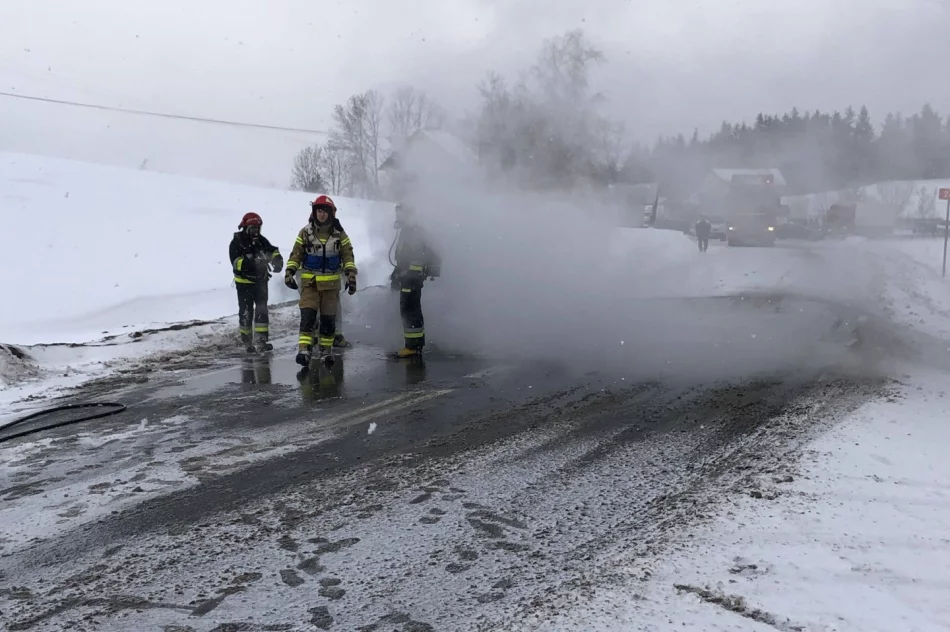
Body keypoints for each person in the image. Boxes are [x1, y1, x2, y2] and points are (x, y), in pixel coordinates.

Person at [285, 195, 357, 367]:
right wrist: (289, 271)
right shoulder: (306, 232)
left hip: (331, 287)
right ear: (314, 212)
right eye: (318, 211)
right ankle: (304, 350)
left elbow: (348, 256)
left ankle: (326, 351)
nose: (321, 214)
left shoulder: (340, 235)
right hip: (310, 283)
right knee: (308, 316)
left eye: (324, 211)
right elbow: (296, 254)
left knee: (328, 320)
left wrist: (351, 275)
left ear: (331, 213)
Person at [389, 202, 440, 359]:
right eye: (397, 213)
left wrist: (410, 274)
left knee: (410, 309)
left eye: (400, 213)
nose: (398, 217)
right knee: (409, 308)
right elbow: (404, 255)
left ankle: (413, 347)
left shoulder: (414, 231)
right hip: (408, 275)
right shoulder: (407, 231)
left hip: (412, 278)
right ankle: (414, 344)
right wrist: (398, 272)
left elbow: (418, 257)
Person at [229, 212, 283, 353]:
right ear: (246, 228)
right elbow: (236, 263)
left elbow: (272, 250)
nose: (256, 232)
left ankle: (261, 341)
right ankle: (247, 342)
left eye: (258, 228)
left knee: (262, 311)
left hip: (260, 282)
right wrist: (254, 263)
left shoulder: (261, 241)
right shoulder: (236, 243)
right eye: (253, 228)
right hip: (244, 285)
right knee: (246, 312)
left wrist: (277, 259)